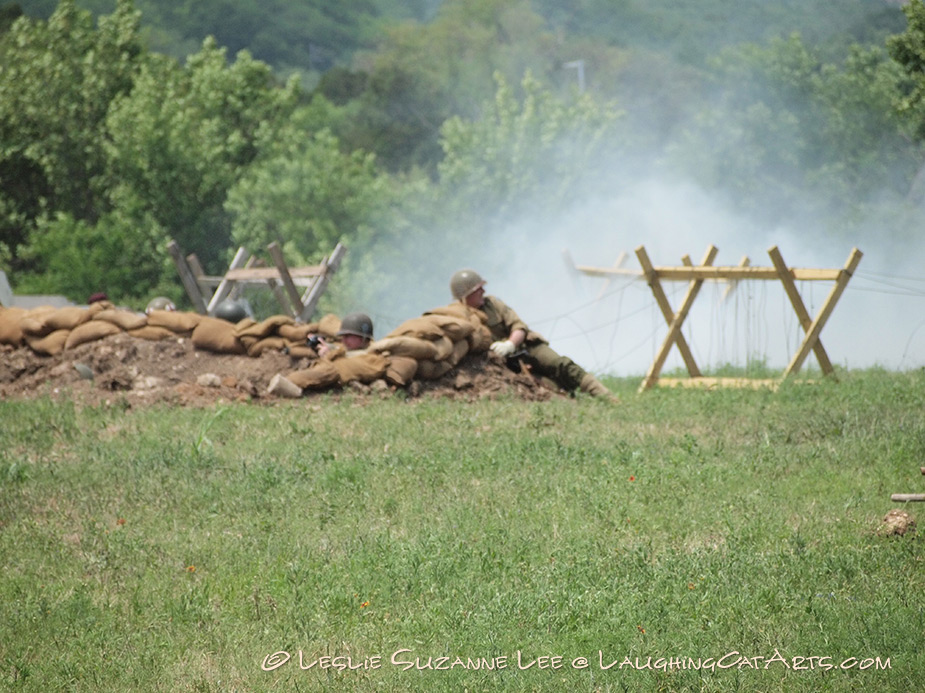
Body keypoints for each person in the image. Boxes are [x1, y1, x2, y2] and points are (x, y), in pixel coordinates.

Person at [450, 269, 617, 400]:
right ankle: (575, 399)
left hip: (527, 347)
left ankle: (608, 398)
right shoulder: (459, 316)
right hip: (506, 364)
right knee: (545, 385)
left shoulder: (493, 304)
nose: (483, 291)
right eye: (478, 289)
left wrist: (510, 344)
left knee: (561, 365)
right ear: (465, 295)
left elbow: (518, 326)